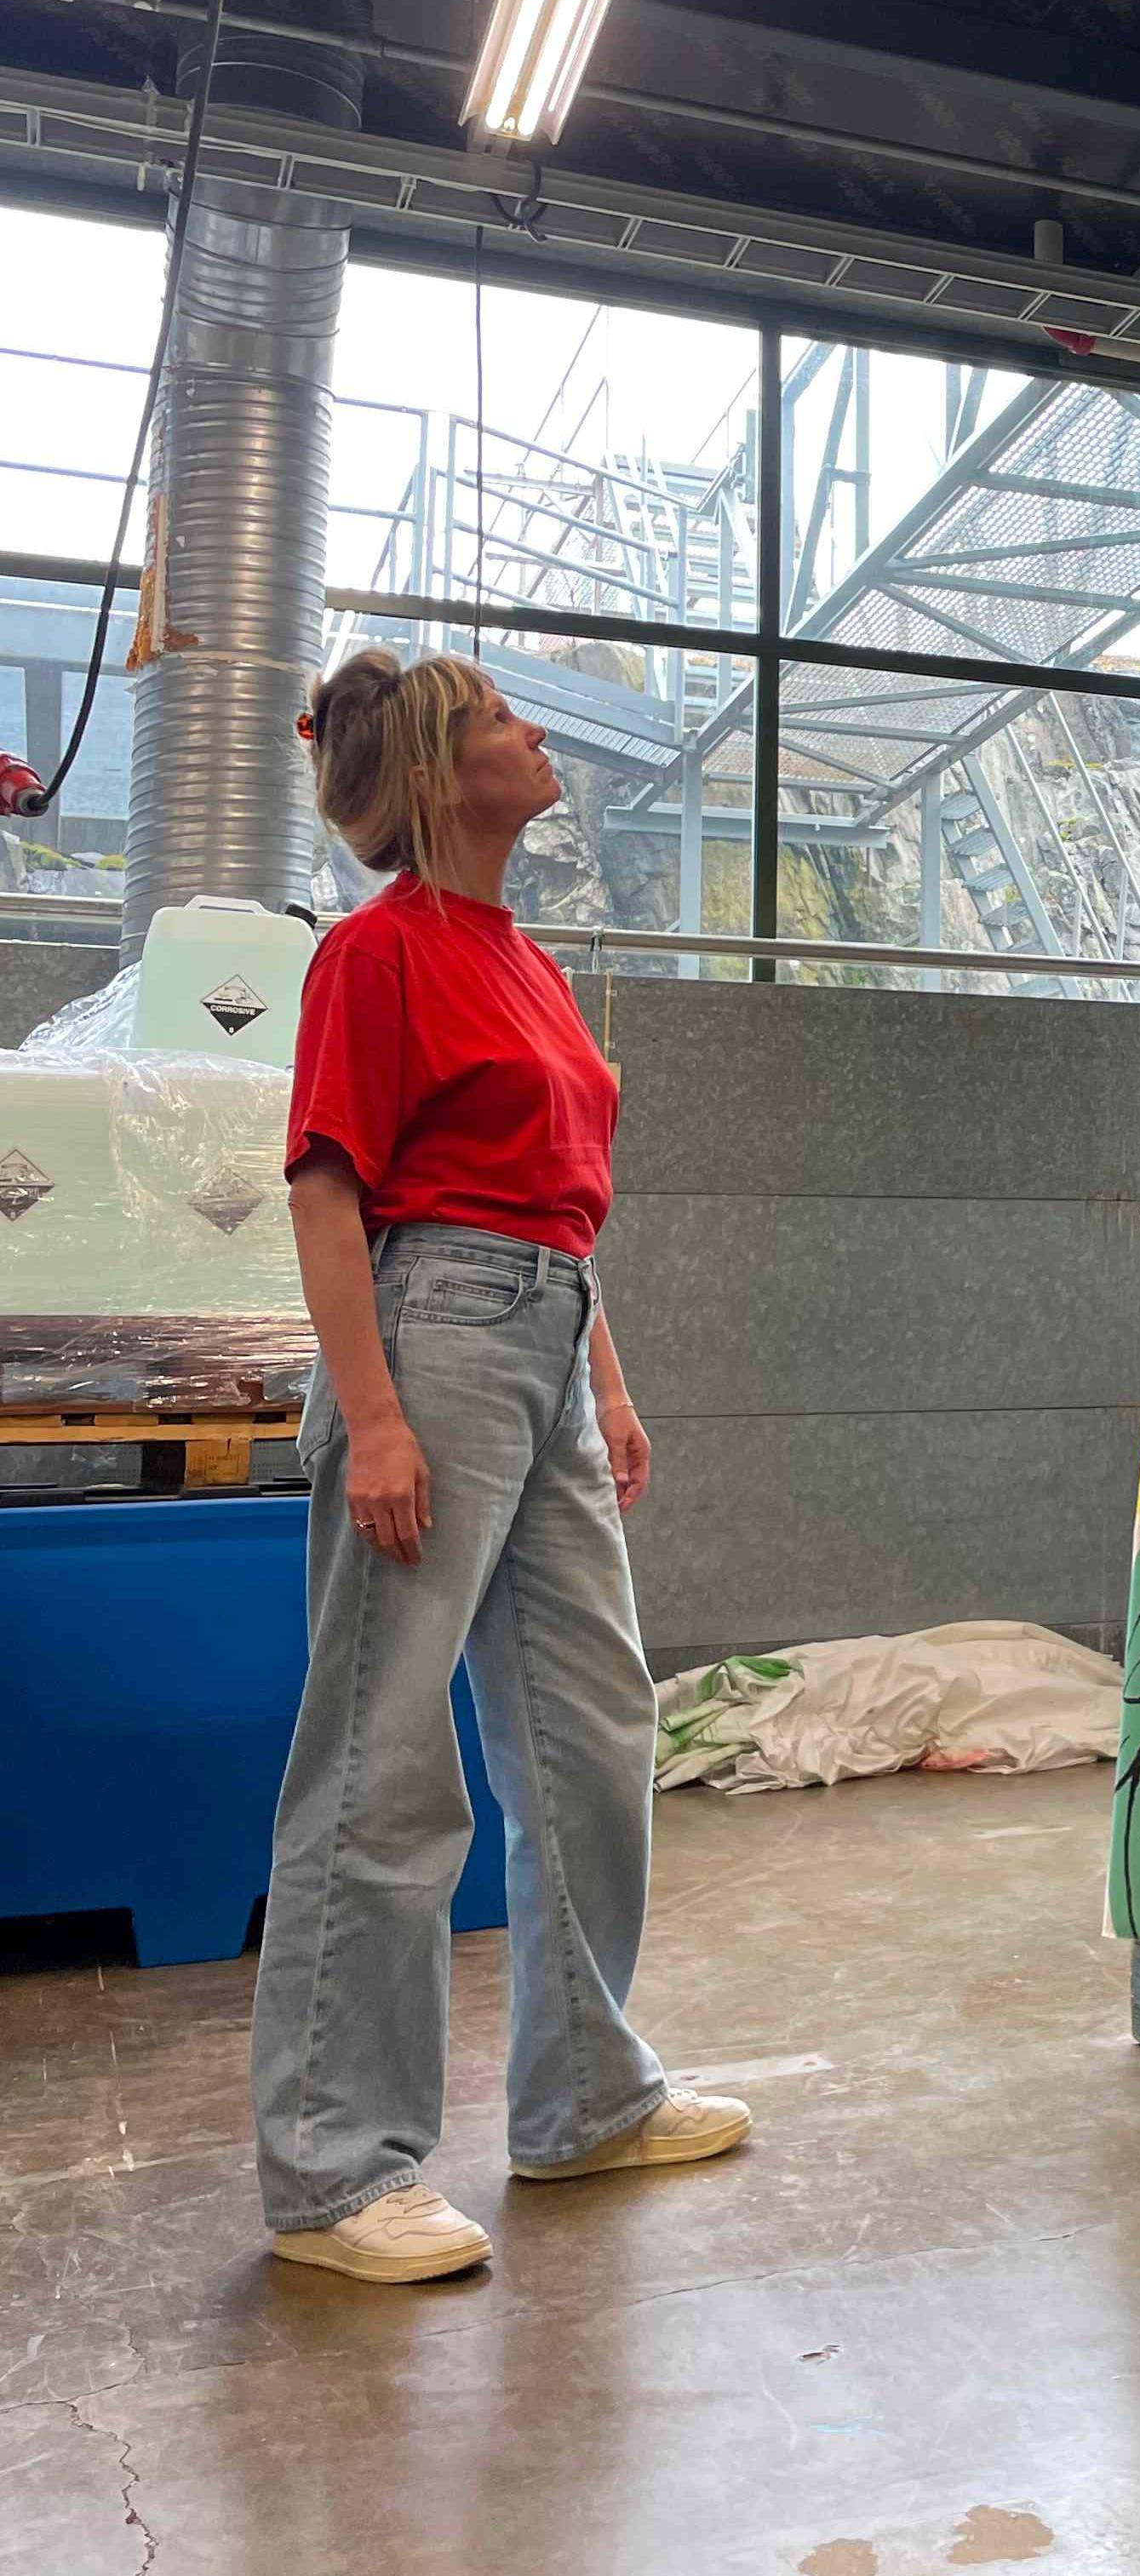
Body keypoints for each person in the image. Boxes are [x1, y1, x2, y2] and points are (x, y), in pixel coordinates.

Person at [251, 649, 748, 2281]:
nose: (541, 738)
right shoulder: (372, 957)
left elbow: (558, 1200)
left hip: (544, 1327)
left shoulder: (522, 959)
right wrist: (374, 1412)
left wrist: (603, 1377)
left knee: (597, 1730)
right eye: (505, 724)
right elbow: (332, 1195)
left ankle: (583, 2096)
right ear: (434, 774)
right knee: (387, 1750)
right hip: (438, 1331)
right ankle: (335, 2173)